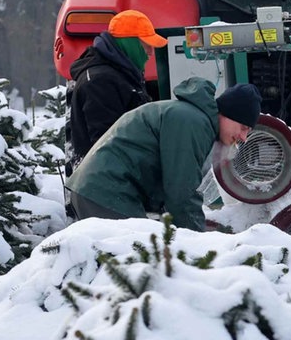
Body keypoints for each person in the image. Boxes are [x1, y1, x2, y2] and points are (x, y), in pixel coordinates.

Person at [68, 78, 261, 231]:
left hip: (100, 190)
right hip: (107, 192)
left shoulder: (192, 118)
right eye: (243, 128)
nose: (243, 138)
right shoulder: (192, 123)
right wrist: (199, 244)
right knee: (135, 267)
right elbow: (180, 194)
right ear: (228, 114)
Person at [67, 9, 166, 164]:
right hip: (108, 180)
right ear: (131, 43)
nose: (151, 52)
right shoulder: (100, 82)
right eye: (147, 45)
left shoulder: (122, 75)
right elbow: (107, 145)